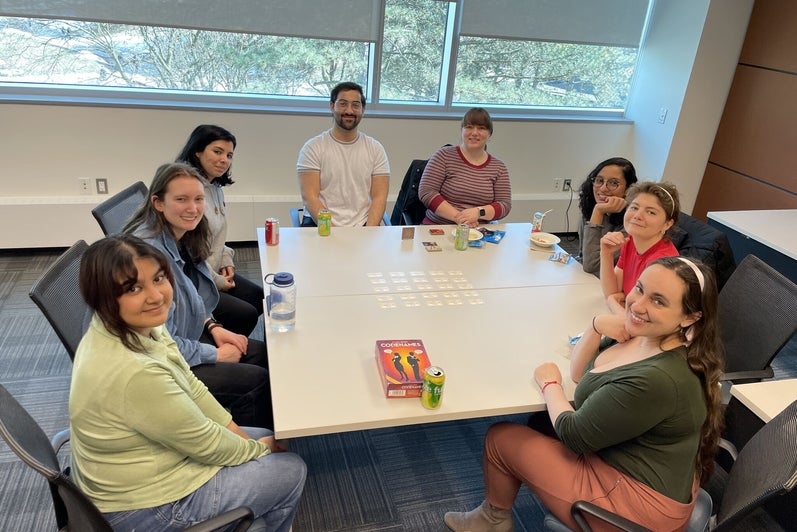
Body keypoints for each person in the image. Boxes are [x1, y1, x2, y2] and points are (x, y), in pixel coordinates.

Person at [444, 256, 724, 531]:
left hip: (638, 509)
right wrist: (595, 326)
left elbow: (573, 434)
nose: (638, 305)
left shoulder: (658, 378)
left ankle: (491, 521)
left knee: (501, 438)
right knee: (540, 423)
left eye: (658, 301)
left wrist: (550, 384)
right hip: (635, 470)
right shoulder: (650, 336)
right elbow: (581, 374)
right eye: (640, 289)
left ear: (690, 317)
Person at [70, 236, 306, 531]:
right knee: (290, 469)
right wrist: (258, 451)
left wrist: (241, 436)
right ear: (102, 297)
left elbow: (191, 384)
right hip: (143, 507)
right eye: (133, 288)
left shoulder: (139, 326)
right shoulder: (134, 372)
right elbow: (207, 444)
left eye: (159, 278)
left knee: (263, 436)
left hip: (143, 468)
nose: (156, 296)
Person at [123, 162, 272, 428]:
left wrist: (213, 326)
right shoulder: (149, 258)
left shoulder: (181, 237)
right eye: (181, 199)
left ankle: (251, 427)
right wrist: (215, 355)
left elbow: (191, 296)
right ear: (158, 203)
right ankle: (245, 444)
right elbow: (158, 344)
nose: (193, 208)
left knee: (261, 354)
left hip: (183, 335)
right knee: (256, 382)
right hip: (156, 366)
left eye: (198, 199)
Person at [176, 124, 264, 337]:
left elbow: (218, 235)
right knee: (246, 314)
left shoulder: (214, 187)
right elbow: (188, 256)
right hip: (194, 279)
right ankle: (217, 344)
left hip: (212, 269)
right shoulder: (189, 193)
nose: (224, 160)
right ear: (197, 151)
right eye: (217, 151)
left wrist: (226, 260)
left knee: (258, 297)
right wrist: (217, 281)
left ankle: (227, 337)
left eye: (229, 155)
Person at [297, 81, 390, 227]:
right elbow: (310, 198)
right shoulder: (312, 148)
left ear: (363, 109)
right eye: (343, 104)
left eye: (355, 105)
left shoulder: (375, 149)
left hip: (363, 225)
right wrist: (335, 234)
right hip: (321, 225)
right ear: (332, 106)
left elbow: (379, 198)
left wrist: (368, 231)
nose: (349, 111)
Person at [418, 108, 511, 226]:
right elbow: (427, 192)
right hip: (439, 226)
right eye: (469, 127)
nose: (474, 133)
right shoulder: (444, 155)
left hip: (478, 230)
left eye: (481, 128)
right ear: (462, 130)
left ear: (489, 134)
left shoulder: (499, 167)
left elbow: (504, 205)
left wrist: (478, 212)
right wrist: (459, 218)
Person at [600, 181, 680, 315]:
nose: (637, 215)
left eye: (651, 212)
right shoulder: (630, 241)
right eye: (634, 207)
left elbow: (637, 316)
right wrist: (606, 254)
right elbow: (613, 291)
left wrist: (612, 301)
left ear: (667, 224)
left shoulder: (661, 263)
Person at [577, 157, 638, 275]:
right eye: (599, 180)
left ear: (628, 189)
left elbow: (591, 265)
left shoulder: (633, 220)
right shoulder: (590, 205)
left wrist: (598, 212)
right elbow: (583, 256)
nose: (603, 188)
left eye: (614, 183)